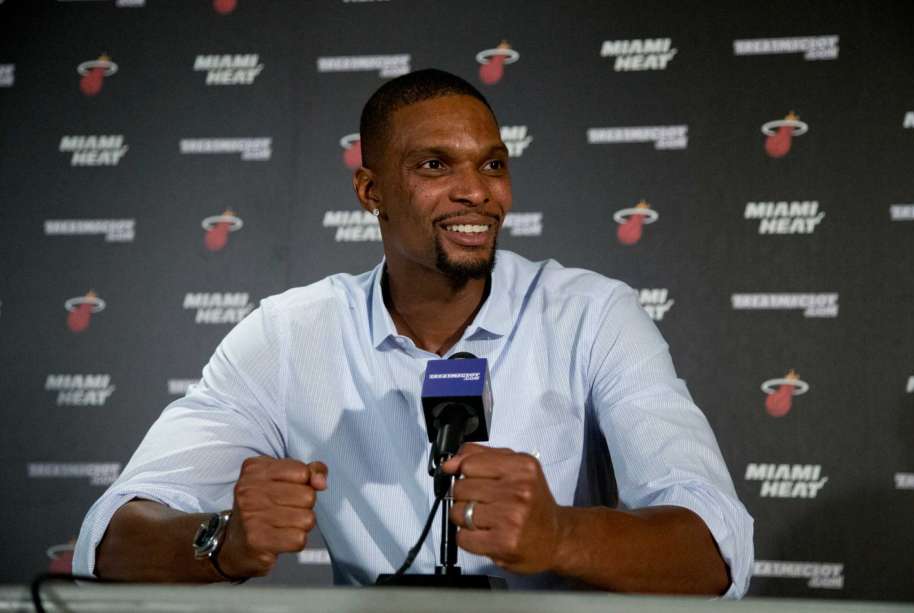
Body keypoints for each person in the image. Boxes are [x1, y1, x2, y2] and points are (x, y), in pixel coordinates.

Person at [74, 69, 753, 596]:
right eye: (435, 166)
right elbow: (107, 541)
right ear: (370, 192)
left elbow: (717, 549)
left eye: (492, 164)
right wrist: (219, 540)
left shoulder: (593, 316)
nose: (478, 191)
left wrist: (562, 534)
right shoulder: (288, 335)